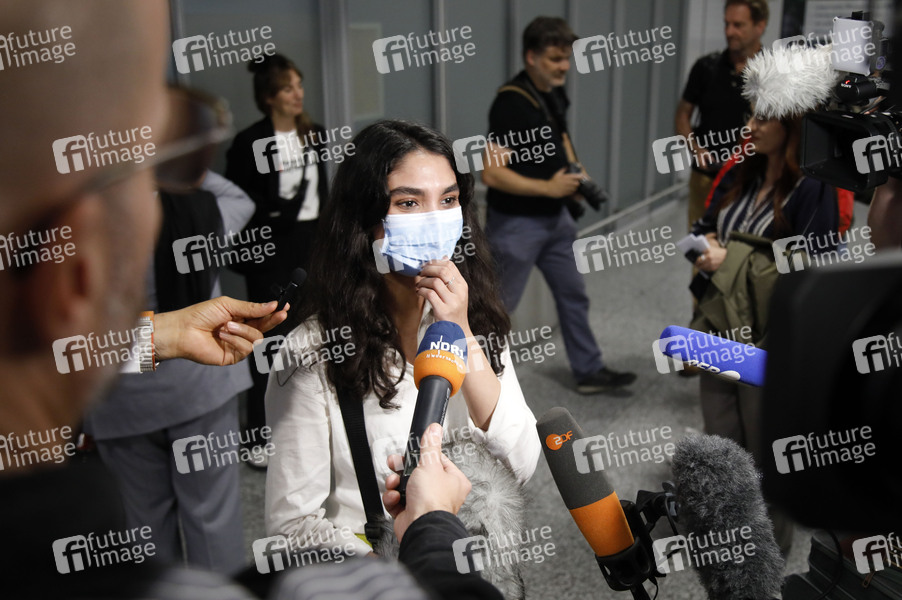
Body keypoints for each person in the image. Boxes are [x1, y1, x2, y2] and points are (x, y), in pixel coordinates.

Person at [0, 3, 503, 598]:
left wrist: (159, 334)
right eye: (167, 148)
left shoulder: (464, 314)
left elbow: (516, 446)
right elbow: (299, 529)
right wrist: (430, 532)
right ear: (78, 263)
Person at [265, 120, 541, 560]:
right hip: (380, 576)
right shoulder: (313, 350)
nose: (434, 220)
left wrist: (462, 331)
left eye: (448, 200)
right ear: (364, 220)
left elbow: (520, 465)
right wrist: (406, 567)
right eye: (408, 202)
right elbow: (291, 527)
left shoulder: (475, 317)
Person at [689, 43, 840, 554]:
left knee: (767, 460)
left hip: (769, 347)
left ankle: (767, 558)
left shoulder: (814, 190)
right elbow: (704, 224)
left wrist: (727, 258)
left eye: (763, 118)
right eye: (751, 114)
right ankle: (730, 546)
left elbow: (810, 273)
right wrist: (703, 246)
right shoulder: (742, 169)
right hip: (719, 331)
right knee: (722, 447)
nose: (750, 126)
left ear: (793, 127)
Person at [83, 171, 256, 575]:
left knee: (144, 528)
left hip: (120, 397)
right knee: (213, 520)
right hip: (201, 389)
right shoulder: (204, 214)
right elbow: (240, 198)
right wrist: (174, 164)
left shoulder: (85, 227)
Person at [481, 16, 636, 394]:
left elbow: (563, 138)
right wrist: (550, 188)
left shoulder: (552, 93)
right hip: (515, 226)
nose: (564, 66)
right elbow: (492, 174)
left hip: (557, 222)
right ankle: (474, 385)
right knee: (495, 309)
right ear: (531, 57)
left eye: (566, 58)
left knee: (573, 295)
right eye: (555, 59)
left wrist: (577, 176)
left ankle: (589, 371)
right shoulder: (510, 104)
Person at [225, 53, 331, 460]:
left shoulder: (314, 134)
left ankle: (309, 429)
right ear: (269, 97)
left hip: (311, 244)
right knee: (267, 341)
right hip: (269, 249)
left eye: (299, 85)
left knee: (315, 337)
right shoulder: (249, 141)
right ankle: (257, 437)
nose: (297, 94)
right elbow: (237, 199)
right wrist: (269, 214)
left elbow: (323, 195)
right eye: (288, 88)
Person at [676, 0, 768, 229]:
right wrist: (696, 149)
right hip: (705, 178)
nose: (729, 32)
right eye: (726, 24)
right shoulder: (706, 67)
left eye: (738, 25)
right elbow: (682, 115)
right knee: (699, 242)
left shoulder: (773, 72)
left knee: (739, 244)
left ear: (760, 26)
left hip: (751, 182)